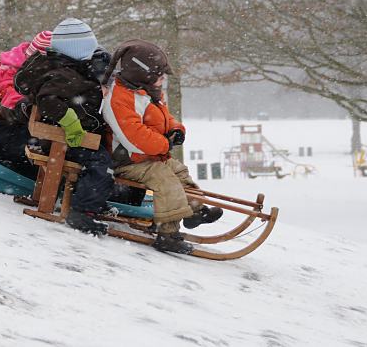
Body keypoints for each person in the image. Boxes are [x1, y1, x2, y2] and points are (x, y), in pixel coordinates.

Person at [101, 40, 223, 254]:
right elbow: (134, 137)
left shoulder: (146, 92)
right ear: (142, 74)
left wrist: (176, 130)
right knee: (164, 179)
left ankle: (194, 211)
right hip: (127, 160)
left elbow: (164, 118)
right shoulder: (119, 99)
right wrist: (165, 144)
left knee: (179, 171)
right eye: (159, 74)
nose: (163, 78)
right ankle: (168, 234)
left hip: (148, 156)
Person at [14, 18, 114, 235]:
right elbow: (49, 100)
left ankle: (92, 200)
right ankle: (83, 211)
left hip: (56, 136)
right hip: (61, 138)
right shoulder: (64, 74)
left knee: (101, 157)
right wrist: (72, 124)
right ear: (79, 50)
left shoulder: (59, 67)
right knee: (102, 164)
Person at [0, 31, 51, 180]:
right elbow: (11, 102)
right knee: (38, 150)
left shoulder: (5, 67)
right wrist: (28, 107)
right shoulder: (13, 78)